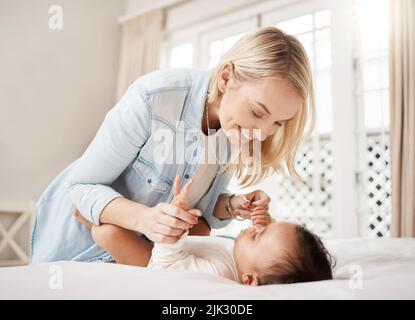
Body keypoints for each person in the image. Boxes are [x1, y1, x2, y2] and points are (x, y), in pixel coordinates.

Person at [30, 27, 314, 265]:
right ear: (227, 77)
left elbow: (192, 202)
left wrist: (230, 205)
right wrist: (145, 219)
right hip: (77, 244)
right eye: (258, 112)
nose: (262, 133)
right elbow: (80, 187)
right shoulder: (154, 97)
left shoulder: (232, 130)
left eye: (278, 122)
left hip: (135, 258)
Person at [74, 176, 334, 285]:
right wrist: (261, 218)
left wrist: (173, 232)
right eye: (266, 228)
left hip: (155, 262)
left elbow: (167, 266)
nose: (256, 228)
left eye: (257, 235)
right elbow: (269, 241)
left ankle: (91, 217)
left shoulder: (216, 274)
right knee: (202, 227)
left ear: (250, 280)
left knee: (107, 233)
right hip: (186, 250)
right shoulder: (248, 261)